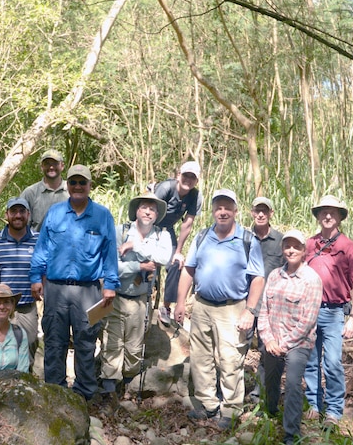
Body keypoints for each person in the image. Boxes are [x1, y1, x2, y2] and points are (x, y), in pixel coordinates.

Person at [174, 189, 264, 430]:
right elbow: (189, 270)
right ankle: (207, 405)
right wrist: (181, 302)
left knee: (230, 359)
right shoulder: (202, 237)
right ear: (213, 211)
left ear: (235, 211)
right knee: (200, 357)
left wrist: (250, 310)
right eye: (218, 207)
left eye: (227, 207)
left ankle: (231, 410)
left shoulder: (247, 240)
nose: (222, 212)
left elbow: (257, 279)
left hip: (233, 308)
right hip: (202, 305)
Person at [29, 164, 120, 401]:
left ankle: (85, 394)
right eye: (73, 182)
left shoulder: (102, 215)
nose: (78, 187)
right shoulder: (55, 213)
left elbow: (110, 253)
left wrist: (110, 284)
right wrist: (36, 278)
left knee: (86, 343)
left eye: (82, 182)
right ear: (67, 185)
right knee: (54, 342)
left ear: (90, 186)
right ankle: (56, 393)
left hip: (89, 290)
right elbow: (42, 249)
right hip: (55, 289)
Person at [99, 193, 172, 412]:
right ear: (136, 211)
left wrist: (135, 248)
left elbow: (164, 258)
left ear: (157, 214)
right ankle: (108, 391)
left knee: (134, 348)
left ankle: (126, 386)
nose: (148, 212)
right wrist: (139, 267)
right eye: (143, 207)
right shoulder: (120, 232)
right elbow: (111, 266)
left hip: (141, 301)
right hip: (115, 297)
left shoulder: (162, 236)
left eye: (152, 209)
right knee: (111, 345)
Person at [304, 195, 353, 428]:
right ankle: (313, 403)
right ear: (318, 216)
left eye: (333, 212)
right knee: (311, 361)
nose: (328, 216)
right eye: (323, 212)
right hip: (309, 311)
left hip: (333, 313)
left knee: (331, 362)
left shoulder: (349, 247)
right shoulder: (309, 245)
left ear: (340, 217)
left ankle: (333, 410)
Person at [258, 229, 323, 445]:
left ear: (304, 251)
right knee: (271, 377)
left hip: (299, 343)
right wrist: (268, 338)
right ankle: (271, 411)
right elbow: (263, 309)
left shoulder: (311, 279)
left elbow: (308, 320)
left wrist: (284, 344)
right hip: (273, 340)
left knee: (294, 383)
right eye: (287, 246)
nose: (291, 250)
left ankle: (291, 435)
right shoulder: (275, 275)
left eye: (296, 246)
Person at [0, 198, 40, 368]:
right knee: (1, 350)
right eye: (14, 211)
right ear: (6, 214)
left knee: (29, 346)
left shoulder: (39, 240)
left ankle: (25, 386)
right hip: (2, 306)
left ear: (28, 215)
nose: (18, 215)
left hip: (27, 307)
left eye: (22, 211)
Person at [153, 160, 203, 326]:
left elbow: (187, 223)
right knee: (150, 264)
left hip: (168, 229)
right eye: (185, 175)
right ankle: (146, 301)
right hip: (150, 227)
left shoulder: (195, 196)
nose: (188, 179)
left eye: (192, 177)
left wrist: (178, 251)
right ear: (178, 175)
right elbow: (149, 210)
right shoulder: (166, 188)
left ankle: (166, 307)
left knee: (175, 263)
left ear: (196, 180)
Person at [248, 197, 286, 403]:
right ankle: (231, 395)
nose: (260, 214)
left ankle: (263, 395)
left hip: (270, 308)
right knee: (236, 350)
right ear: (251, 212)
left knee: (269, 353)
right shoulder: (243, 238)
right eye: (257, 211)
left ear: (271, 213)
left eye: (264, 211)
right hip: (244, 306)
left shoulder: (281, 241)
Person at [20, 149, 69, 231]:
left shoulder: (73, 191)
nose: (51, 167)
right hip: (38, 243)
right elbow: (21, 226)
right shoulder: (30, 193)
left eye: (55, 164)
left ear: (62, 166)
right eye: (47, 164)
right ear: (42, 167)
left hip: (67, 243)